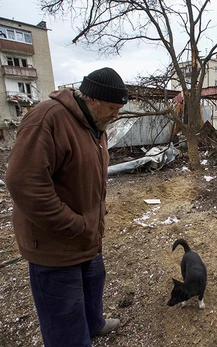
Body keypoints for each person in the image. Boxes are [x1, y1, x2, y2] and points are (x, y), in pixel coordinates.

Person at [5, 67, 128, 346]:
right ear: (92, 100)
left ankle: (93, 325)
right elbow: (24, 183)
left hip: (86, 237)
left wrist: (92, 221)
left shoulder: (96, 126)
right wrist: (74, 225)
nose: (116, 115)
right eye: (112, 107)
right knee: (64, 312)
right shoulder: (48, 119)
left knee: (93, 282)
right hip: (55, 244)